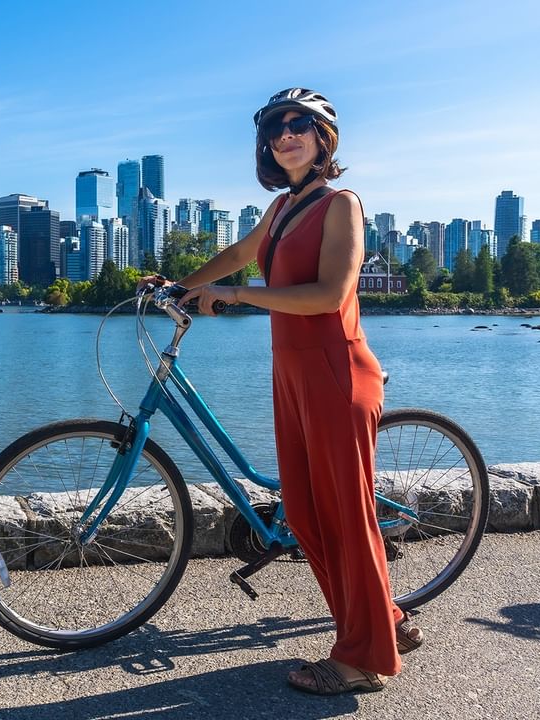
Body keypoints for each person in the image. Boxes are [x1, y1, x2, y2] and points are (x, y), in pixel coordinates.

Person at [150, 88, 422, 694]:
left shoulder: (341, 204)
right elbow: (239, 254)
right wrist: (179, 284)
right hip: (292, 372)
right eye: (276, 128)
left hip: (335, 371)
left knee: (346, 517)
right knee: (303, 513)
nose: (286, 135)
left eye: (301, 124)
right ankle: (388, 620)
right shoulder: (281, 210)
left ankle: (361, 660)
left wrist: (241, 295)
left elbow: (328, 295)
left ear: (325, 138)